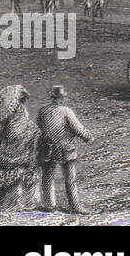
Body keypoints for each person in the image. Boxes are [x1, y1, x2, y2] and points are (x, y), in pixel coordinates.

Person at [0, 85, 38, 212]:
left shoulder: (9, 120)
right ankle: (22, 201)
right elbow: (22, 131)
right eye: (24, 99)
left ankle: (6, 200)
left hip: (9, 155)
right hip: (16, 155)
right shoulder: (19, 116)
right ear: (20, 100)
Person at [36, 85, 93, 215]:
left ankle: (48, 204)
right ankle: (74, 206)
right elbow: (77, 128)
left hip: (47, 148)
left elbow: (39, 126)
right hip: (64, 147)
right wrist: (88, 137)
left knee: (48, 175)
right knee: (70, 177)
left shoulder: (43, 111)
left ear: (52, 97)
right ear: (62, 98)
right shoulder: (66, 111)